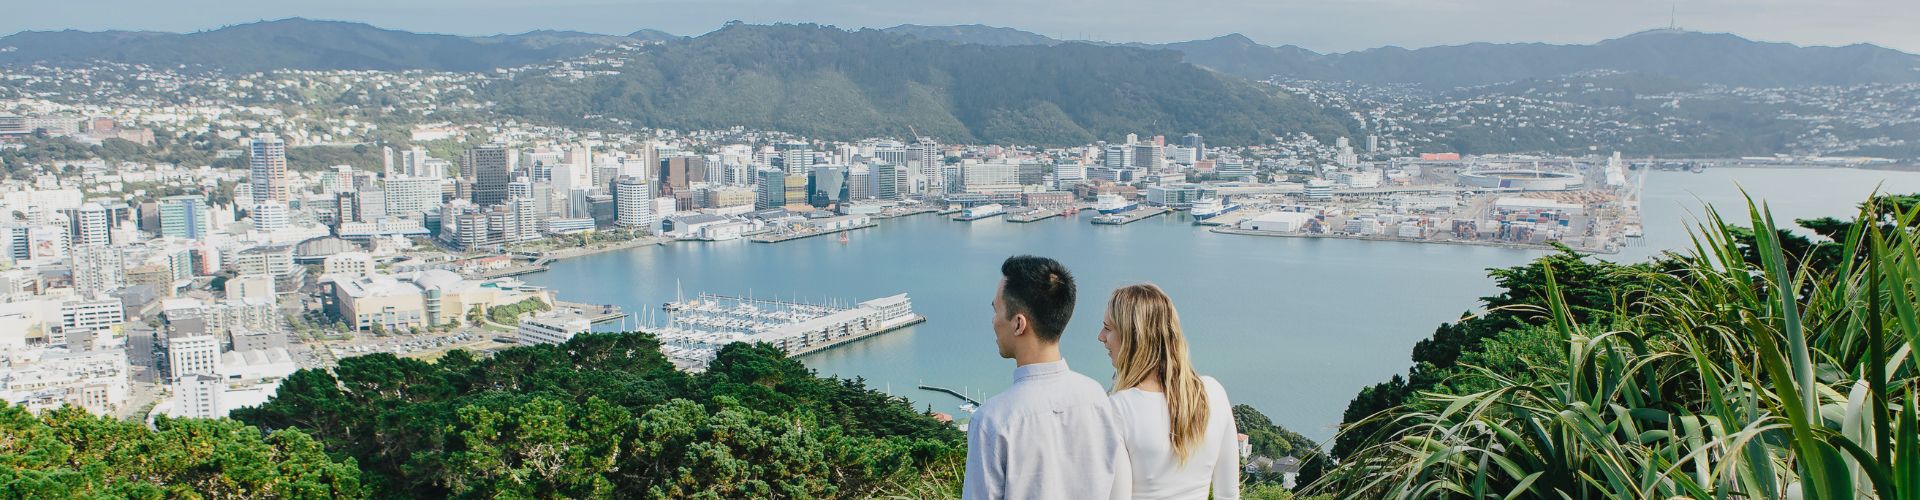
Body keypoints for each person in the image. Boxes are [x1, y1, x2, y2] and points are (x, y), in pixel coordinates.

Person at [963, 255, 1131, 499]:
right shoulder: (1096, 398)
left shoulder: (992, 421)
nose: (993, 321)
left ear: (1019, 324)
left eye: (996, 310)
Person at [1098, 284, 1240, 499]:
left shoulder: (1117, 409)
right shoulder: (1214, 393)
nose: (1101, 337)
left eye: (1108, 328)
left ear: (1133, 337)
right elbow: (1228, 494)